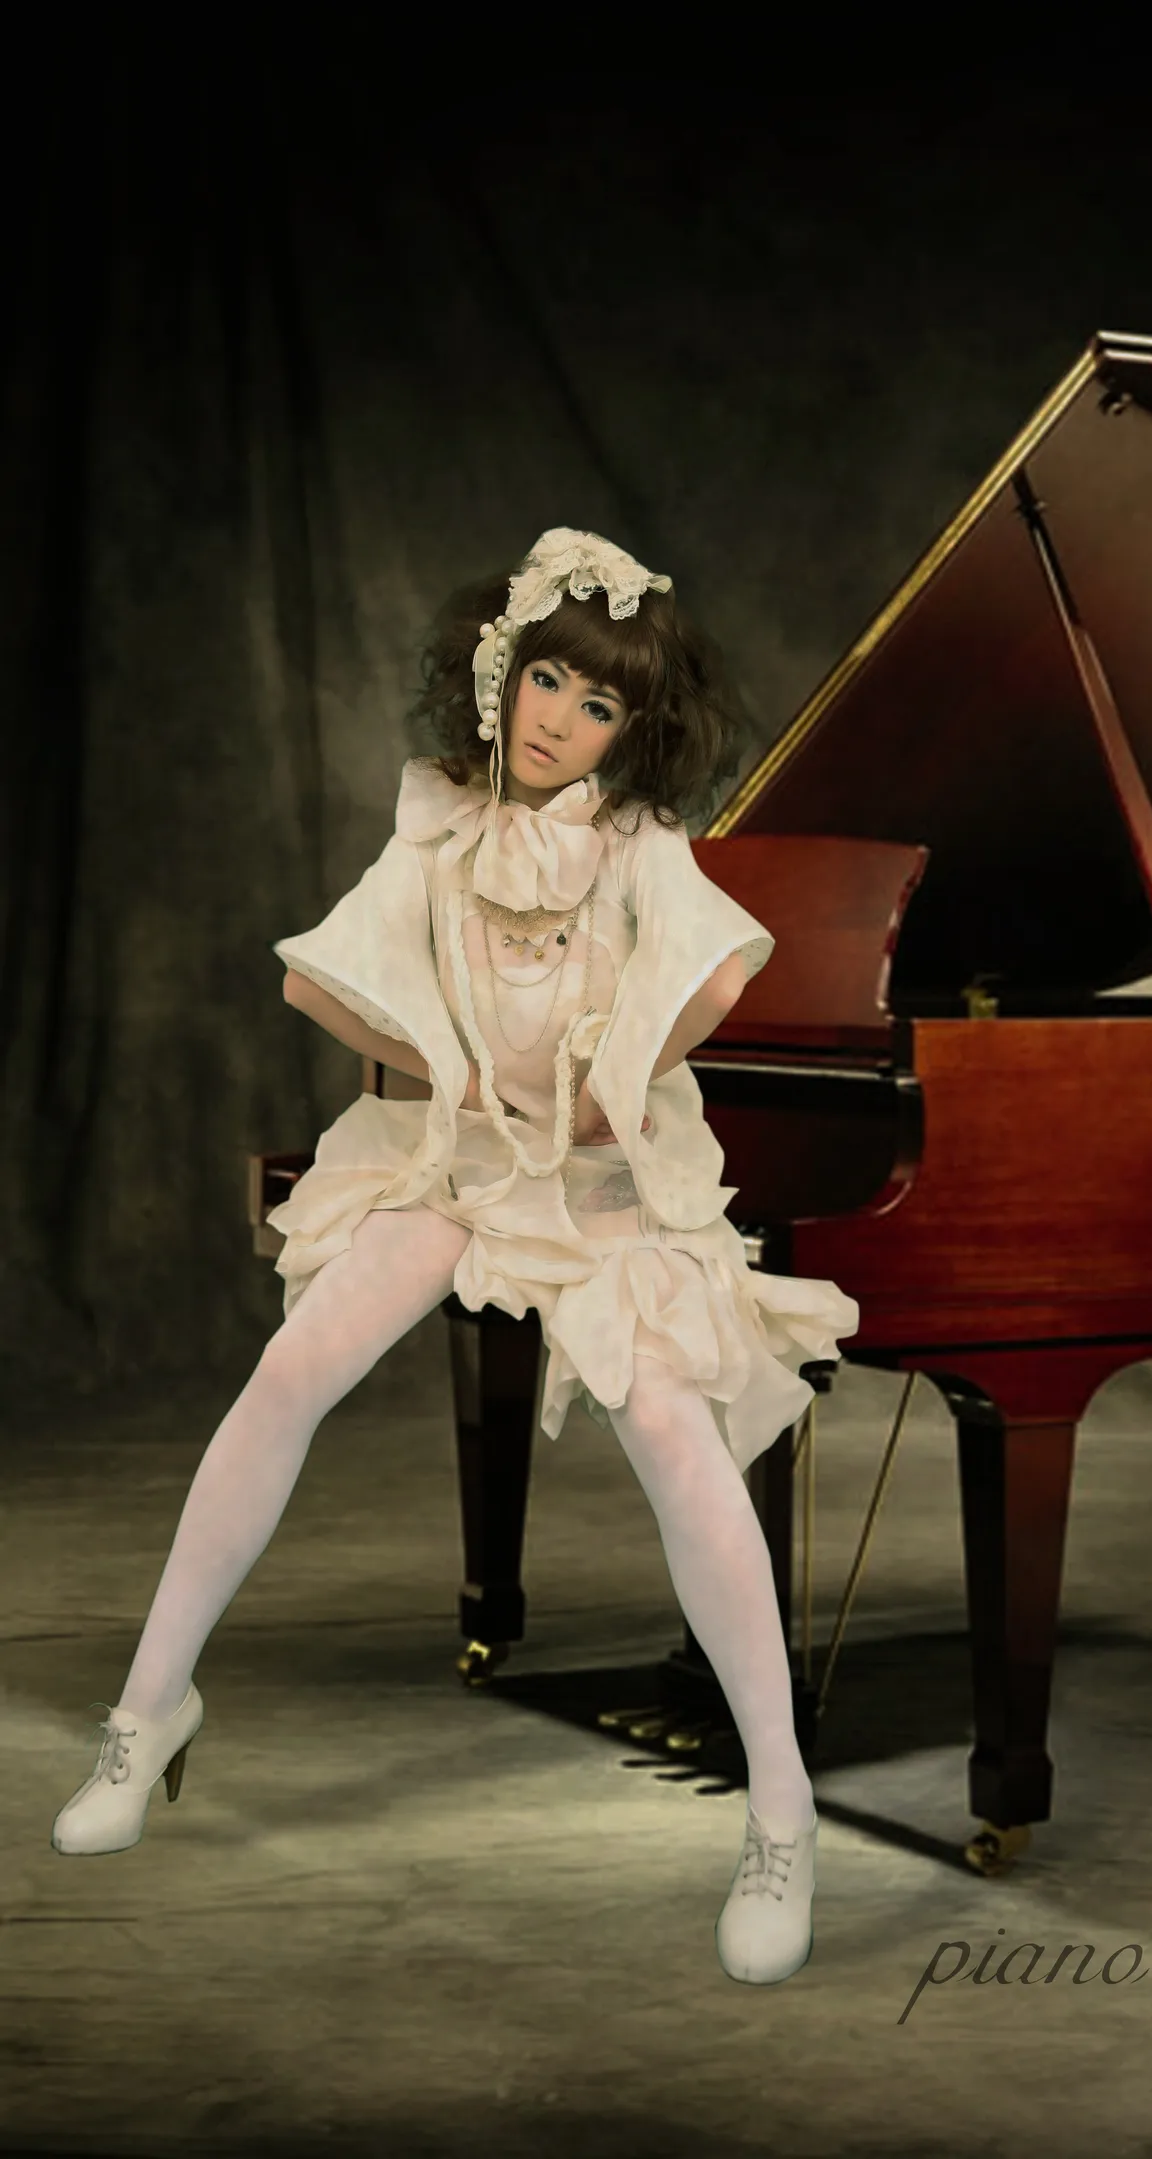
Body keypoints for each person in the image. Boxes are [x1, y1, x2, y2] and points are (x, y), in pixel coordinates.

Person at [51, 527, 859, 1987]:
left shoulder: (637, 844)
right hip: (461, 1163)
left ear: (630, 731)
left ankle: (782, 1810)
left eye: (598, 706)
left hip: (600, 1183)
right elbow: (326, 981)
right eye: (547, 681)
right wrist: (457, 1070)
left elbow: (720, 974)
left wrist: (609, 1080)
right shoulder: (436, 823)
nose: (560, 721)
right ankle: (147, 1709)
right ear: (499, 673)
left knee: (678, 1443)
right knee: (292, 1368)